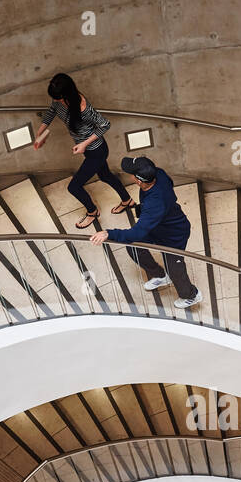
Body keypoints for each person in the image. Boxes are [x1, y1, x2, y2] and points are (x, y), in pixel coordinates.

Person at [90, 156, 201, 309]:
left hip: (174, 234)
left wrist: (109, 233)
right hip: (157, 226)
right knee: (134, 247)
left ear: (139, 180)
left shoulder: (155, 203)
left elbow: (136, 233)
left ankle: (191, 295)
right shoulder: (158, 174)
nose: (129, 175)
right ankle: (160, 275)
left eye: (131, 173)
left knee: (175, 267)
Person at [34, 73, 133, 229]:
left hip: (97, 150)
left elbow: (105, 124)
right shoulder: (58, 100)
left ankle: (92, 212)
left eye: (58, 98)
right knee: (105, 175)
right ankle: (127, 200)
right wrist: (40, 132)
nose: (56, 101)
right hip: (88, 150)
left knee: (74, 187)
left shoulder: (83, 108)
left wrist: (84, 144)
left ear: (67, 94)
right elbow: (52, 111)